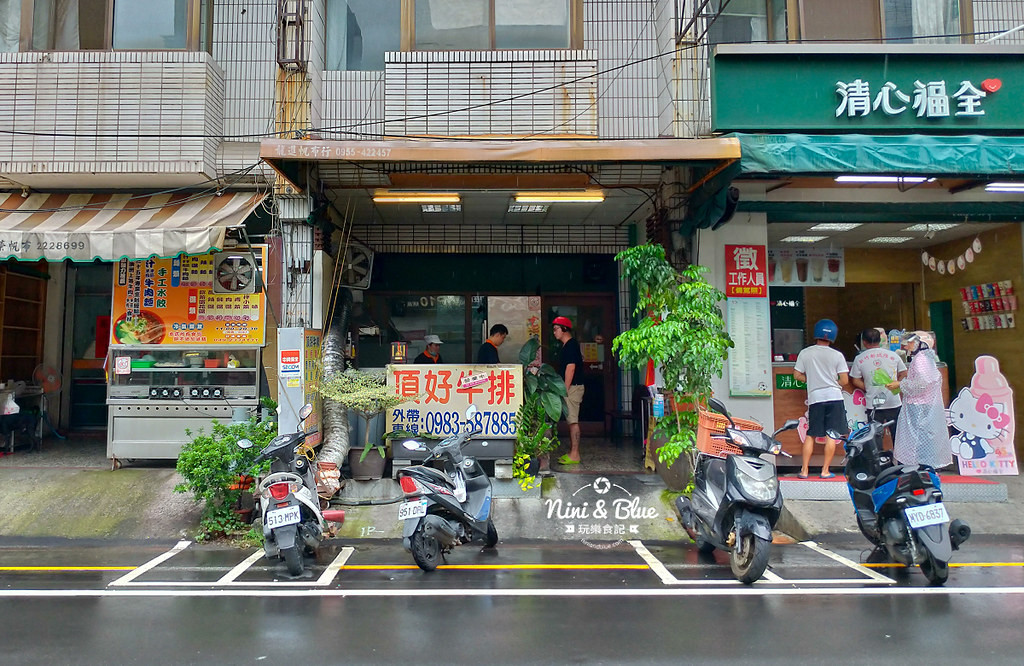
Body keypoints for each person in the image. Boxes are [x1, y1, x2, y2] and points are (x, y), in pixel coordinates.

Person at [793, 319, 849, 479]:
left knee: (811, 434)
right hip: (834, 397)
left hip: (815, 398)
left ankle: (804, 470)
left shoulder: (806, 353)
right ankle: (825, 471)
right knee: (832, 434)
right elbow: (844, 380)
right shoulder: (837, 355)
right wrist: (833, 383)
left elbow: (796, 375)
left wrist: (810, 380)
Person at [894, 347, 951, 469]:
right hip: (927, 404)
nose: (906, 346)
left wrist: (900, 384)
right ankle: (927, 467)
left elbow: (921, 384)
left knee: (914, 438)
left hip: (917, 405)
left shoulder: (920, 359)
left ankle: (914, 467)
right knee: (927, 437)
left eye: (910, 342)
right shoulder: (928, 358)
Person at [849, 328, 907, 443]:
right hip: (893, 401)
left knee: (875, 437)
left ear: (864, 342)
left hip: (873, 404)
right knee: (898, 436)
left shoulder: (859, 358)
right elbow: (904, 373)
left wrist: (868, 388)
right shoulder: (893, 355)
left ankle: (878, 459)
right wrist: (896, 385)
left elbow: (855, 380)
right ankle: (901, 461)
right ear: (880, 340)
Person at [553, 316, 584, 465]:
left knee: (573, 421)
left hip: (573, 387)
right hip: (570, 387)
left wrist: (564, 389)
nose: (554, 332)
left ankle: (575, 454)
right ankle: (573, 452)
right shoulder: (567, 345)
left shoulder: (571, 345)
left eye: (556, 329)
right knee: (571, 420)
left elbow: (570, 368)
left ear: (564, 329)